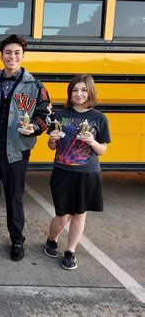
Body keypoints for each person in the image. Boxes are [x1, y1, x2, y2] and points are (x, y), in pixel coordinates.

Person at [0, 34, 51, 262]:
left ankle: (16, 239)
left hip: (17, 151)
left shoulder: (35, 85)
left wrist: (33, 128)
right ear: (1, 56)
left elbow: (45, 115)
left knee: (14, 196)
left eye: (16, 53)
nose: (12, 56)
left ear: (23, 56)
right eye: (8, 52)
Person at [44, 75, 110, 270]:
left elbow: (103, 150)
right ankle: (51, 239)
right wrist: (53, 140)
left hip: (87, 172)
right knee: (62, 214)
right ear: (70, 93)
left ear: (90, 92)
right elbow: (51, 146)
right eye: (75, 90)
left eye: (83, 90)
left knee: (80, 213)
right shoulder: (59, 115)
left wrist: (92, 142)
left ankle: (70, 251)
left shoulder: (99, 118)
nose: (79, 94)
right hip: (62, 171)